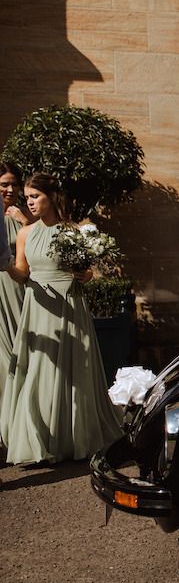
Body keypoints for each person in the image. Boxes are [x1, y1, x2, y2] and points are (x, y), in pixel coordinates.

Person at [0, 173, 121, 463]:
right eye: (27, 197)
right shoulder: (25, 233)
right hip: (38, 307)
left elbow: (89, 272)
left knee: (73, 370)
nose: (29, 202)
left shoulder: (74, 231)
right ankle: (39, 441)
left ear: (51, 197)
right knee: (38, 371)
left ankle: (73, 437)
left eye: (35, 196)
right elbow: (21, 274)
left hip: (70, 305)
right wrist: (4, 266)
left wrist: (85, 275)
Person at [0, 162, 32, 409]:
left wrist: (24, 222)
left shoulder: (23, 214)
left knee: (20, 350)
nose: (10, 189)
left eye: (14, 184)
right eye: (4, 184)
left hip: (17, 286)